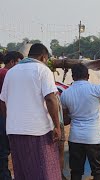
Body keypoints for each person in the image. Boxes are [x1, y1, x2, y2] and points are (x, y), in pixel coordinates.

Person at [0, 43, 62, 180]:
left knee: (22, 171)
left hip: (14, 131)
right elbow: (51, 99)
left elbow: (2, 101)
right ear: (43, 57)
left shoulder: (11, 72)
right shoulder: (42, 70)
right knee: (45, 171)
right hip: (38, 131)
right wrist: (57, 126)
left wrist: (10, 120)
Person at [0, 51, 23, 180]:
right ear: (13, 62)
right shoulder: (6, 74)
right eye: (19, 62)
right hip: (3, 116)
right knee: (4, 151)